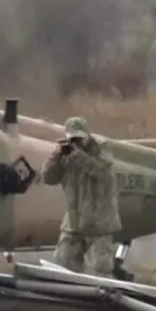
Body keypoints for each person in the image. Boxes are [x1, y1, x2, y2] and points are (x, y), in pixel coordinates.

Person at [40, 116, 122, 277]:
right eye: (73, 139)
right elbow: (48, 178)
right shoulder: (65, 154)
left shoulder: (100, 149)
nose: (76, 142)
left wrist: (78, 156)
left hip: (98, 221)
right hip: (74, 221)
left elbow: (103, 173)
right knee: (62, 264)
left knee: (101, 267)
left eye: (79, 139)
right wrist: (55, 156)